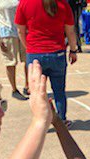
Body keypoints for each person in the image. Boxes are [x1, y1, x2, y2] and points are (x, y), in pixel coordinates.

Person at [15, 0, 79, 129]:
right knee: (59, 91)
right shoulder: (63, 3)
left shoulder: (25, 3)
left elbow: (20, 30)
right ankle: (61, 120)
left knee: (37, 92)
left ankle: (40, 122)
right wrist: (73, 50)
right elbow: (70, 31)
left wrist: (29, 48)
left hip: (35, 53)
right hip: (57, 53)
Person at [0, 0, 29, 101]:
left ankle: (28, 86)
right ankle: (14, 89)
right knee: (11, 61)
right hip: (6, 30)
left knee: (28, 59)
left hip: (24, 30)